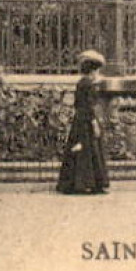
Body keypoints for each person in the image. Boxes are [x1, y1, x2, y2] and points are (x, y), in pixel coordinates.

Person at [57, 49, 111, 195]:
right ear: (93, 71)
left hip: (79, 120)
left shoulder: (81, 83)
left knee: (82, 151)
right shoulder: (88, 84)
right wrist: (94, 123)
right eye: (97, 70)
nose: (98, 74)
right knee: (90, 151)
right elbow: (88, 105)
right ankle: (92, 183)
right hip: (86, 121)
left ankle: (77, 183)